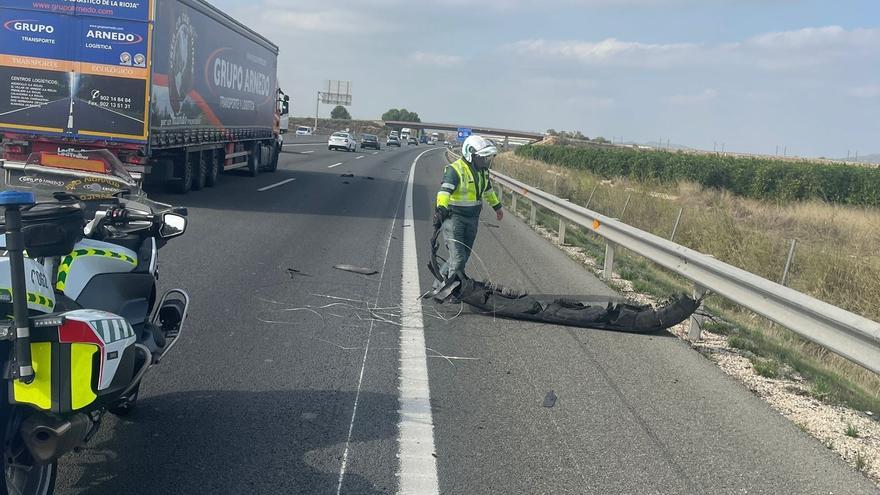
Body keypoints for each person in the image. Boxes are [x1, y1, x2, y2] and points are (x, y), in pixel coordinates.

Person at [432, 135, 504, 291]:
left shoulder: (483, 172)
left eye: (487, 157)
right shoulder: (455, 170)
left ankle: (440, 284)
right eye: (482, 157)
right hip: (454, 219)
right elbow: (444, 192)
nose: (485, 161)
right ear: (470, 154)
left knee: (462, 257)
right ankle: (451, 291)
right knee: (458, 259)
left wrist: (497, 207)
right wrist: (441, 209)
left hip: (472, 219)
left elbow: (488, 191)